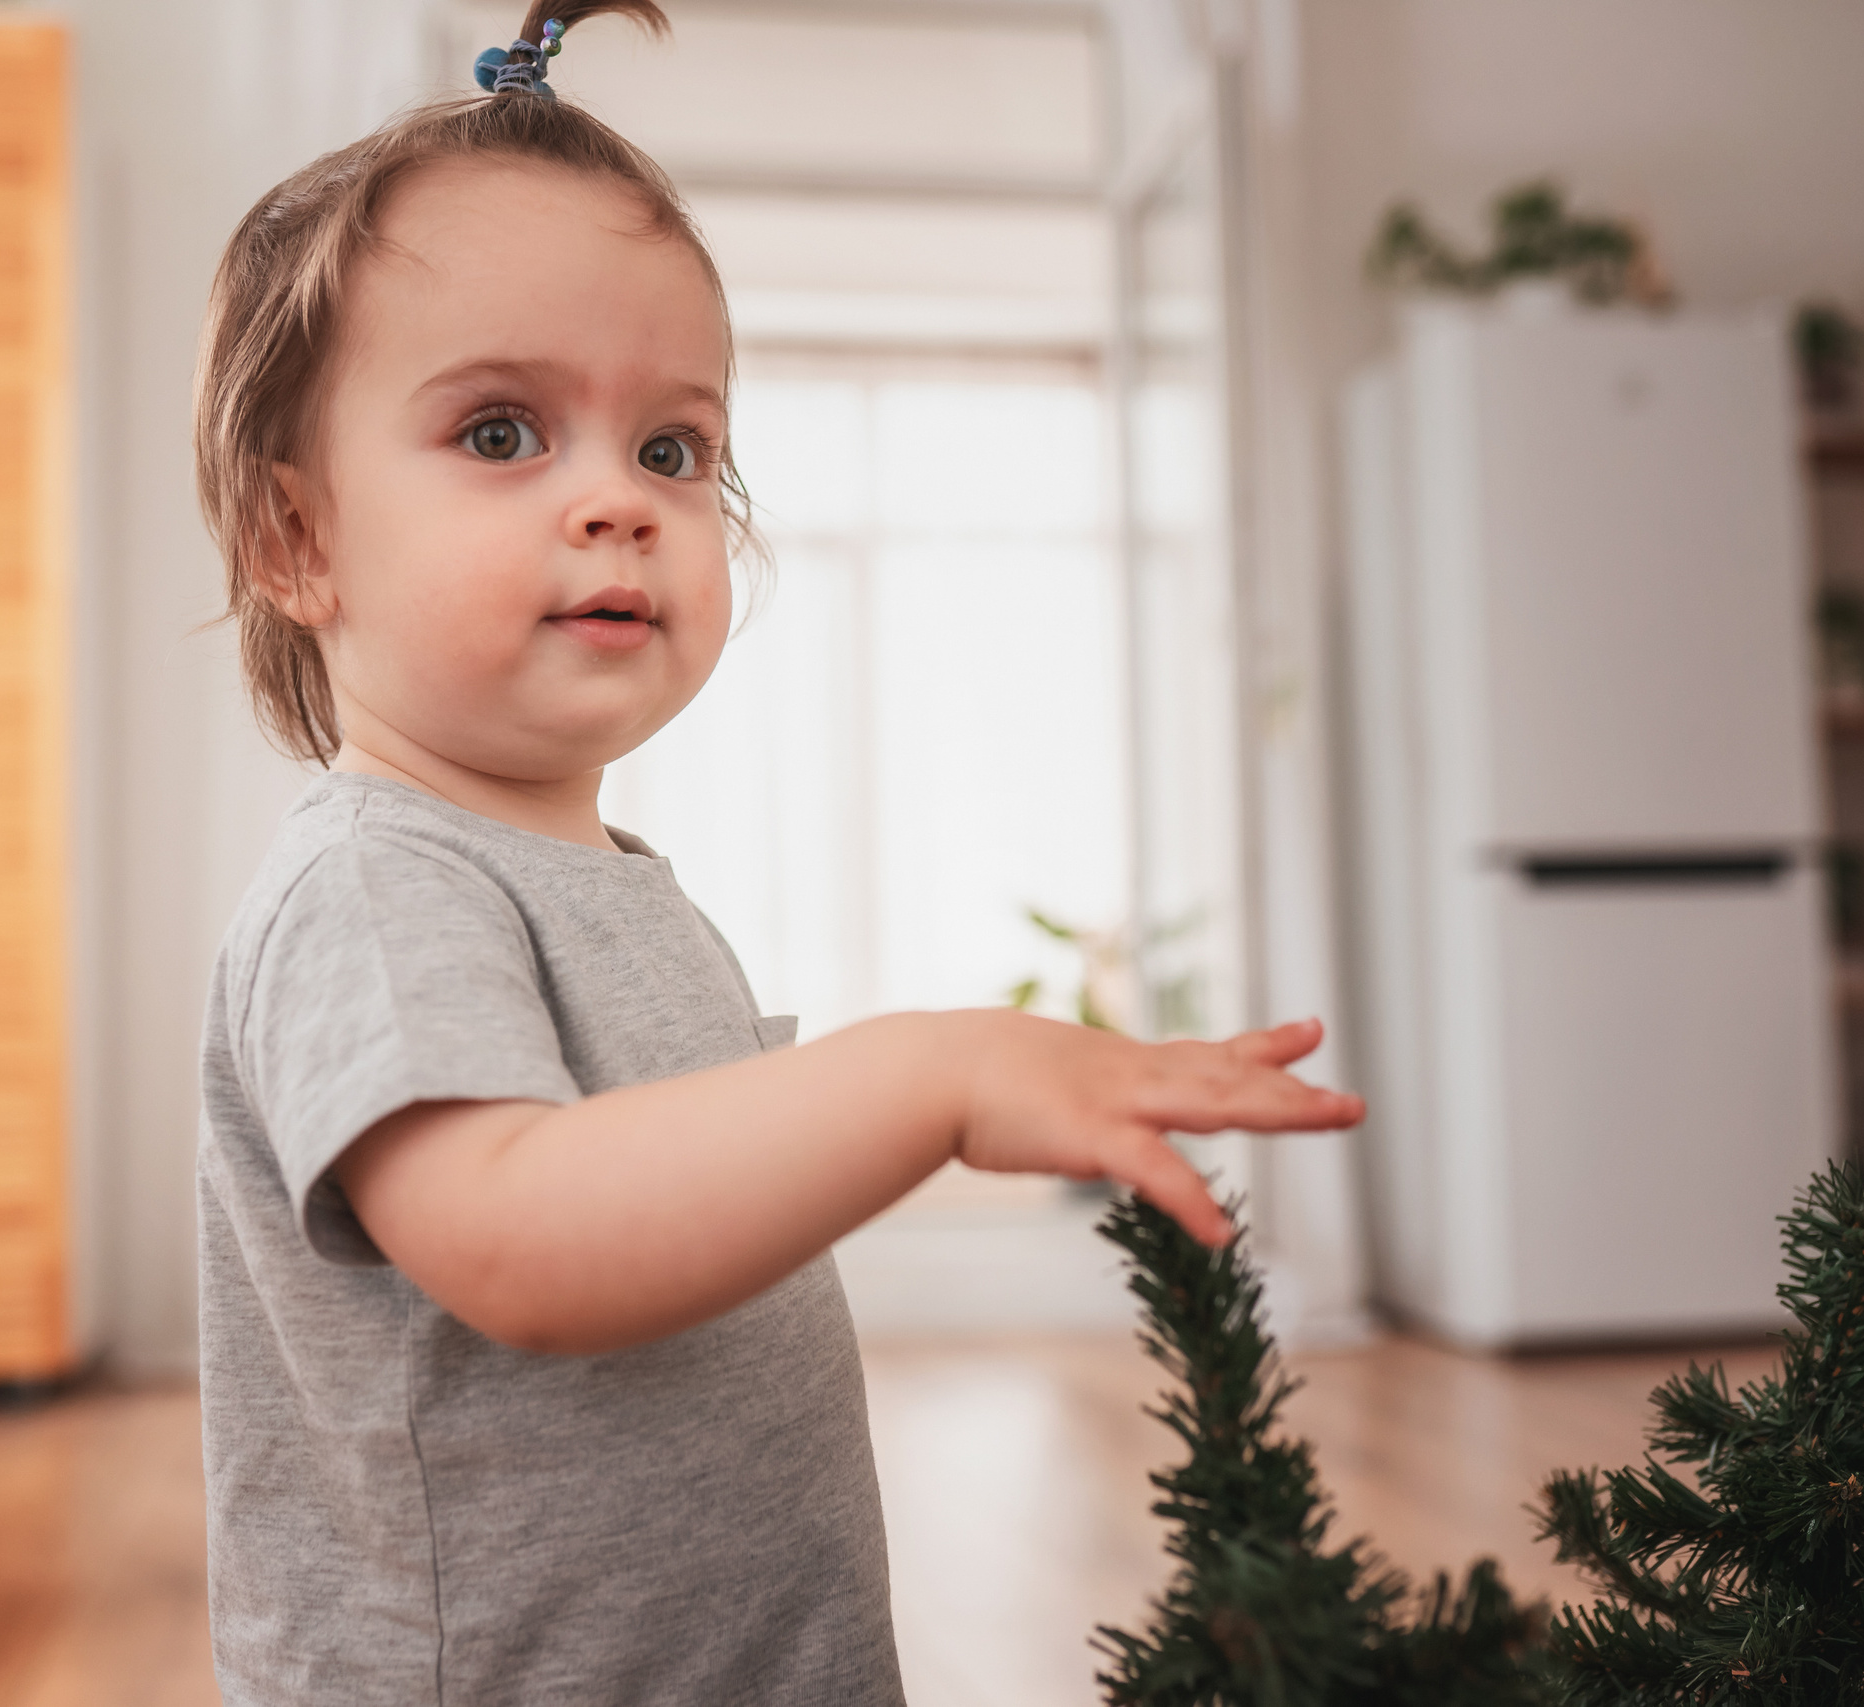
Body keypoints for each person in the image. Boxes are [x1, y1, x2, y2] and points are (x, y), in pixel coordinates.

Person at [190, 4, 1367, 1701]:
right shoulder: (374, 887)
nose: (620, 501)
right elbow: (520, 1241)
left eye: (672, 446)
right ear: (297, 535)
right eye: (504, 432)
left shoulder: (610, 881)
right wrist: (935, 1076)